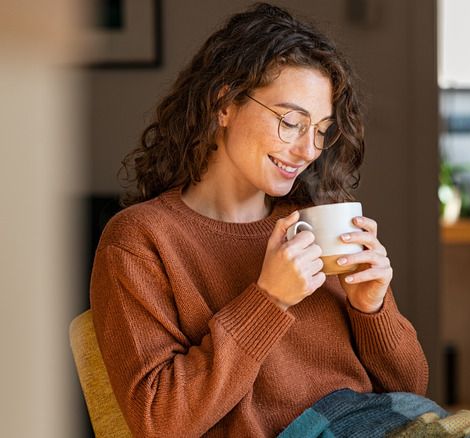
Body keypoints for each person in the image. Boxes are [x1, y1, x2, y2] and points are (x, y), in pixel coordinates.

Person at [89, 3, 429, 437]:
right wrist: (269, 300)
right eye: (291, 122)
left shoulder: (312, 224)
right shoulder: (140, 240)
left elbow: (410, 393)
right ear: (224, 104)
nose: (309, 150)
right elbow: (160, 421)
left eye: (321, 130)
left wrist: (373, 309)